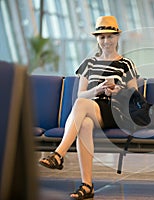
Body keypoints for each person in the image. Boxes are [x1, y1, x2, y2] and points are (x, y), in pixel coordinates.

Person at [39, 16, 138, 199]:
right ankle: (87, 185)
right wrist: (97, 90)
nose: (106, 41)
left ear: (117, 37)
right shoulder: (89, 64)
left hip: (114, 111)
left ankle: (59, 154)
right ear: (97, 40)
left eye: (110, 36)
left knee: (81, 105)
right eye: (102, 37)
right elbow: (81, 94)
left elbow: (136, 95)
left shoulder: (126, 64)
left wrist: (117, 91)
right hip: (91, 107)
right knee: (84, 123)